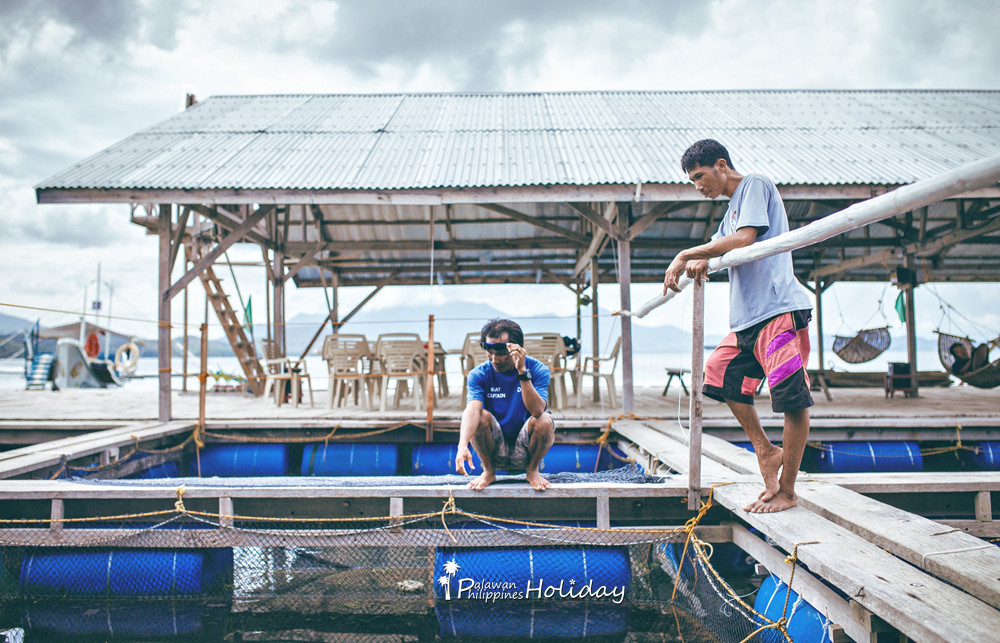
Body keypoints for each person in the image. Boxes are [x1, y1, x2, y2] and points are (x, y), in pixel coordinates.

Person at [663, 139, 814, 514]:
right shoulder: (728, 213)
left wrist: (687, 254)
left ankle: (788, 490)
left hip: (778, 308)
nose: (698, 187)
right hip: (746, 319)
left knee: (790, 398)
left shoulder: (754, 185)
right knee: (717, 375)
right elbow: (721, 246)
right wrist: (703, 260)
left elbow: (745, 238)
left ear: (721, 165)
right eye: (692, 181)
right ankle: (765, 450)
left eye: (700, 176)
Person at [455, 318, 555, 491]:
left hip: (527, 448)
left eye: (500, 352)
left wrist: (522, 372)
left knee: (545, 420)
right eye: (489, 350)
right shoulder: (478, 374)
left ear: (518, 349)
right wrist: (462, 445)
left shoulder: (538, 370)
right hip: (493, 448)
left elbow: (538, 410)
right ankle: (488, 471)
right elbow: (472, 409)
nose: (495, 359)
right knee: (481, 415)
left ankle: (532, 471)